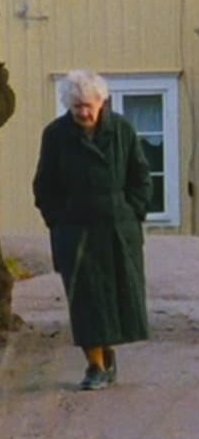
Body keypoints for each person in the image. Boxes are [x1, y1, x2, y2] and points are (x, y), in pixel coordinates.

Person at [32, 70, 153, 390]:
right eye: (76, 107)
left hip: (116, 228)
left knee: (113, 298)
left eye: (88, 105)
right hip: (76, 230)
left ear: (102, 102)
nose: (83, 113)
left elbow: (140, 176)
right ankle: (95, 366)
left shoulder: (122, 131)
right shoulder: (55, 135)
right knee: (85, 301)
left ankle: (107, 353)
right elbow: (44, 185)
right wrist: (59, 220)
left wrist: (132, 212)